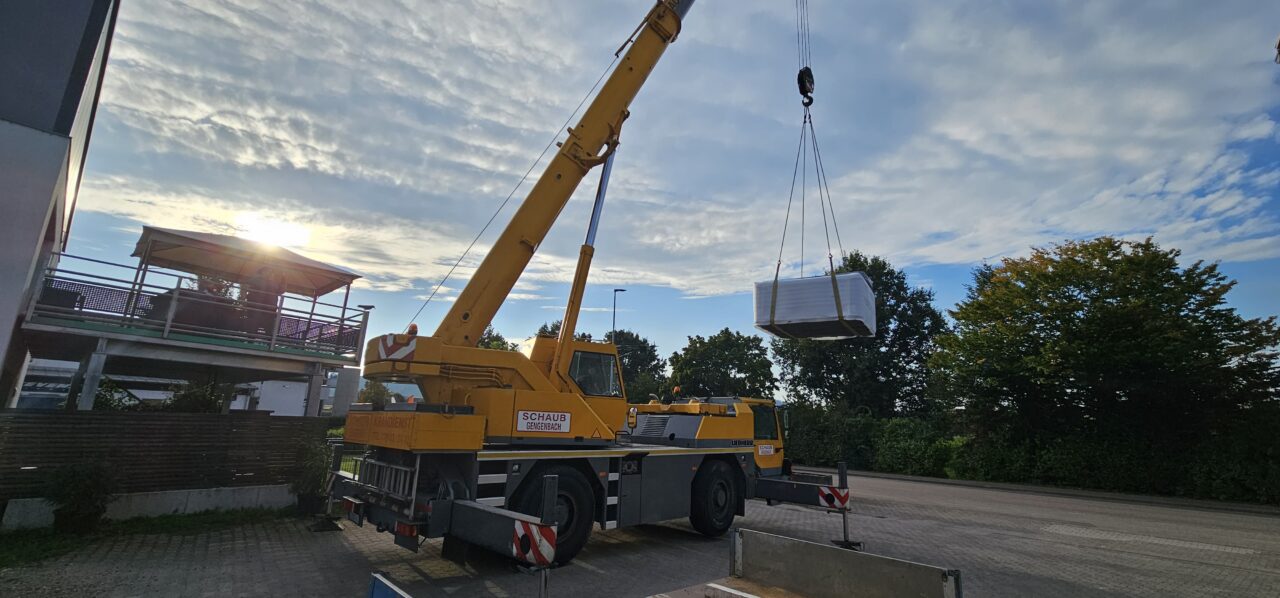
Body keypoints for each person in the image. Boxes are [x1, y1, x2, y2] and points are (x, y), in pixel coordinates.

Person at [242, 266, 284, 336]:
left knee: (269, 327)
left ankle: (269, 342)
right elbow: (244, 286)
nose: (271, 273)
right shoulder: (256, 279)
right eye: (269, 271)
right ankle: (250, 339)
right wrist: (243, 299)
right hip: (255, 307)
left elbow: (281, 291)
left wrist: (283, 279)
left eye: (271, 272)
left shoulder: (273, 282)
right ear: (263, 272)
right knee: (253, 325)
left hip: (270, 309)